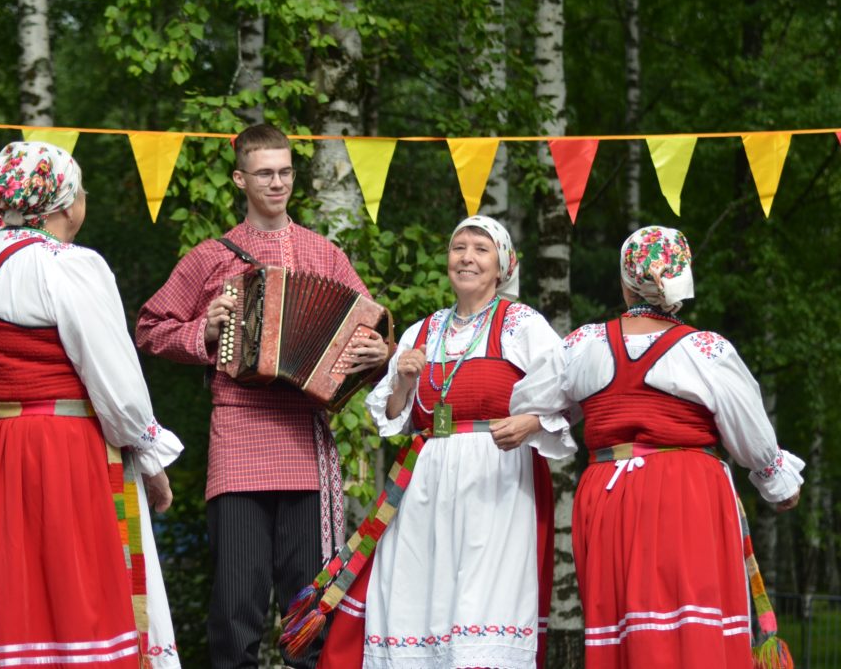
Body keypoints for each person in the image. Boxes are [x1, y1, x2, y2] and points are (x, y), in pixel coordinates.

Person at [0, 141, 184, 668]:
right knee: (72, 599)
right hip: (60, 451)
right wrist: (150, 455)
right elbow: (116, 381)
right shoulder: (70, 267)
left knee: (9, 602)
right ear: (65, 203)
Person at [135, 122, 390, 669]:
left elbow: (369, 334)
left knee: (310, 611)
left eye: (285, 172)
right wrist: (203, 331)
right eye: (265, 173)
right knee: (235, 606)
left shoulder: (325, 255)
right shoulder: (212, 257)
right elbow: (150, 327)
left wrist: (380, 355)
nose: (278, 183)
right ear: (240, 178)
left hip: (305, 443)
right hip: (239, 442)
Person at [509, 225, 804, 668]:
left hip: (607, 496)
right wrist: (779, 484)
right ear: (681, 284)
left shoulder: (585, 345)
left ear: (625, 283)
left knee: (622, 625)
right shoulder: (705, 351)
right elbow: (754, 437)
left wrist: (569, 413)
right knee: (688, 624)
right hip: (685, 493)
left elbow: (529, 404)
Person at [303, 215, 564, 669]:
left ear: (503, 265)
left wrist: (532, 421)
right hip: (427, 480)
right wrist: (403, 380)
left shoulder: (521, 322)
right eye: (459, 247)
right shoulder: (423, 330)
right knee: (419, 586)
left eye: (481, 249)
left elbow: (565, 387)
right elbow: (393, 416)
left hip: (496, 477)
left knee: (483, 593)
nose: (466, 258)